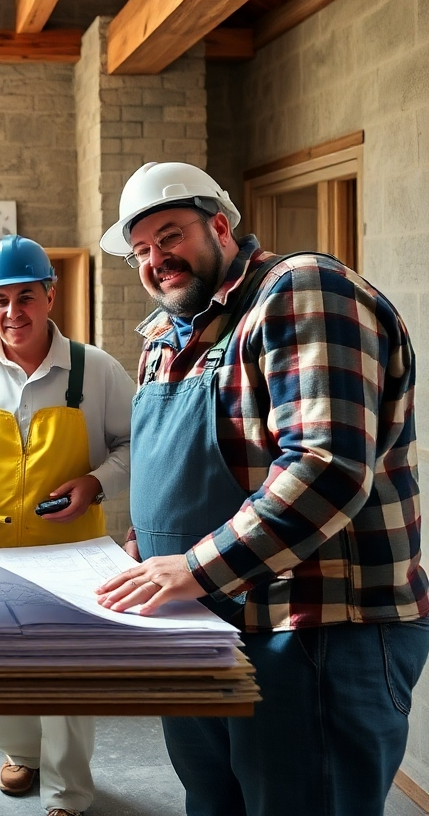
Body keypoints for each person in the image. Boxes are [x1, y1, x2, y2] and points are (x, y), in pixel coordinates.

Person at [95, 161, 429, 816]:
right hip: (197, 624)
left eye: (170, 236)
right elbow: (172, 469)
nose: (156, 260)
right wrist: (141, 549)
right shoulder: (164, 338)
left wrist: (190, 567)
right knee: (213, 803)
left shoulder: (303, 290)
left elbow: (326, 466)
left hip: (313, 629)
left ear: (219, 225)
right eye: (140, 250)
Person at [0, 234, 134, 816]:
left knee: (65, 669)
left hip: (72, 549)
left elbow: (133, 446)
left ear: (50, 296)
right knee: (3, 659)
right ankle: (20, 753)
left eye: (25, 298)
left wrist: (94, 483)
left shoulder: (96, 370)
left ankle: (68, 787)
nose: (12, 313)